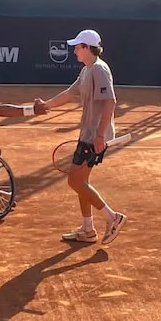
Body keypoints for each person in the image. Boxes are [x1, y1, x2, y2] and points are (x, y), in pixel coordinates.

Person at [36, 30, 127, 245]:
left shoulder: (99, 70)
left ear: (87, 48)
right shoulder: (86, 71)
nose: (74, 50)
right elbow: (68, 94)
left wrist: (99, 135)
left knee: (75, 180)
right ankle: (87, 230)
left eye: (77, 46)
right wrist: (45, 106)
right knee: (81, 181)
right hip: (87, 134)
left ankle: (113, 218)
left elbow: (110, 102)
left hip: (95, 136)